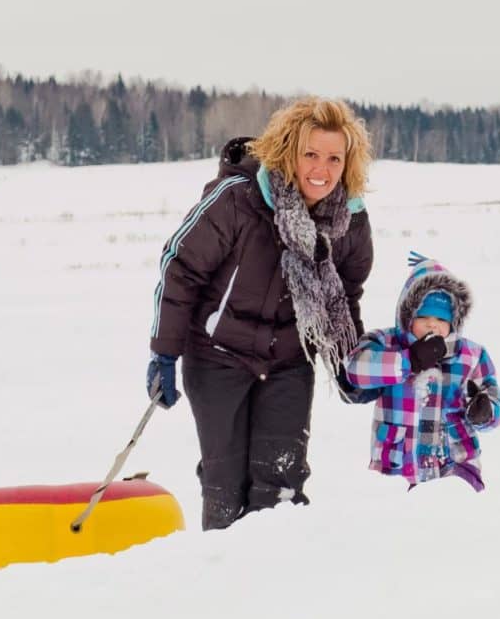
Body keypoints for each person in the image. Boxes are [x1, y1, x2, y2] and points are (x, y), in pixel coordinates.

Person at [146, 97, 374, 530]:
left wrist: (349, 364)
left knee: (282, 488)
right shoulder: (239, 199)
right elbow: (181, 268)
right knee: (225, 487)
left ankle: (277, 588)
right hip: (217, 357)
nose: (321, 169)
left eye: (333, 158)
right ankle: (221, 584)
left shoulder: (350, 224)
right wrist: (164, 354)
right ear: (289, 150)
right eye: (310, 153)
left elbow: (344, 298)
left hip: (289, 362)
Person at [343, 251, 500, 491]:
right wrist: (410, 360)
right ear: (407, 316)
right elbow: (356, 369)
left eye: (441, 319)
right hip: (398, 466)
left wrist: (486, 411)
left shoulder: (470, 355)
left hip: (456, 466)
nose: (433, 324)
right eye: (424, 316)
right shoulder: (387, 343)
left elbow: (496, 401)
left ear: (454, 321)